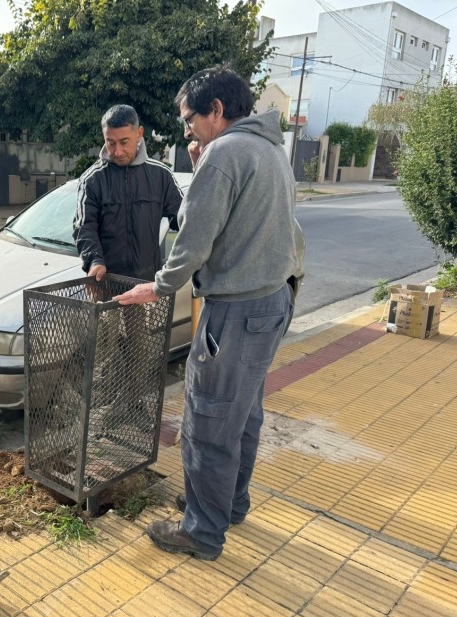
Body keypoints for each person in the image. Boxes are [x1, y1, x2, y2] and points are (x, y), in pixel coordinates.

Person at [115, 65, 299, 560]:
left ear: (216, 110)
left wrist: (156, 287)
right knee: (242, 414)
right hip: (271, 302)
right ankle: (226, 504)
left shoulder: (224, 153)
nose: (187, 131)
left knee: (208, 419)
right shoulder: (270, 149)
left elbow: (194, 238)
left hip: (236, 310)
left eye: (190, 120)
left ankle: (201, 530)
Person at [73, 104, 183, 283]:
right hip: (107, 285)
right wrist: (94, 260)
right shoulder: (92, 179)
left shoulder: (161, 175)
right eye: (110, 143)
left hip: (148, 286)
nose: (117, 151)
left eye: (124, 142)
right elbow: (84, 226)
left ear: (139, 134)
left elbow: (184, 219)